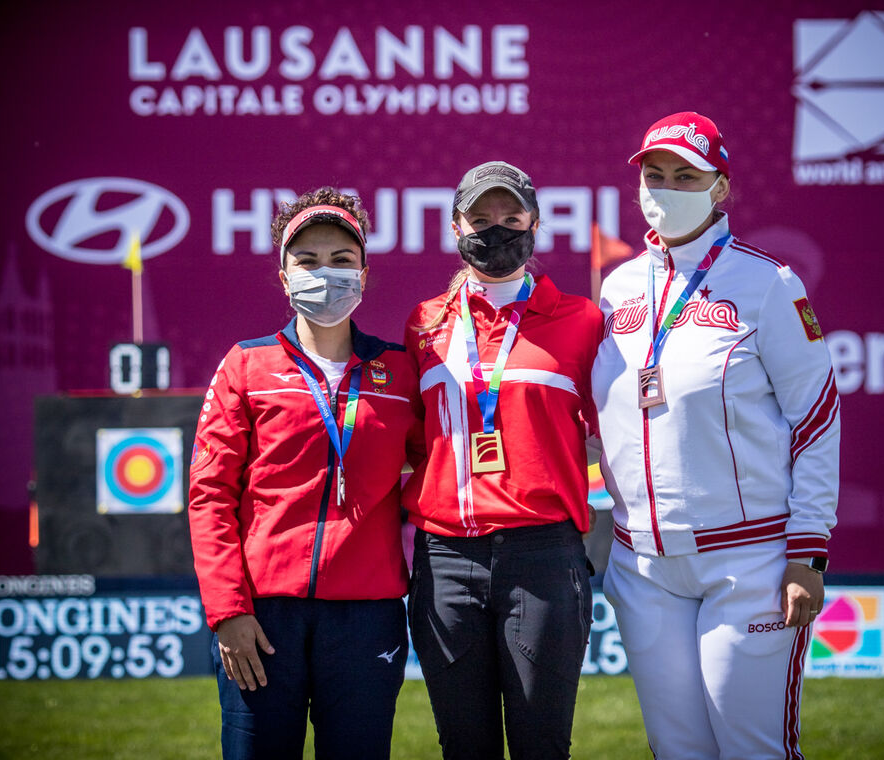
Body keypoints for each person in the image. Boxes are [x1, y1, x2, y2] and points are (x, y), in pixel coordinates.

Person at [592, 112, 840, 759]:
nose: (666, 188)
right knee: (677, 752)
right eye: (655, 174)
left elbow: (816, 418)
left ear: (720, 187)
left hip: (749, 560)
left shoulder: (768, 284)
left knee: (751, 749)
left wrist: (807, 552)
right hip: (643, 564)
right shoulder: (616, 289)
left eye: (685, 175)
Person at [188, 187, 423, 760]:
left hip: (368, 618)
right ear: (284, 274)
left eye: (342, 260)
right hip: (263, 619)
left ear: (364, 276)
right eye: (309, 260)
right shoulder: (247, 364)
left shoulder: (400, 371)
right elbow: (210, 494)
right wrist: (228, 612)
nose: (326, 273)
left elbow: (433, 468)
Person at [403, 160, 602, 760]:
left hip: (543, 558)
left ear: (535, 224)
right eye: (481, 219)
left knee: (543, 748)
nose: (496, 230)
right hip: (446, 561)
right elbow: (415, 440)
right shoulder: (424, 323)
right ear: (455, 226)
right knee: (465, 749)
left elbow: (609, 437)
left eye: (511, 218)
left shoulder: (582, 321)